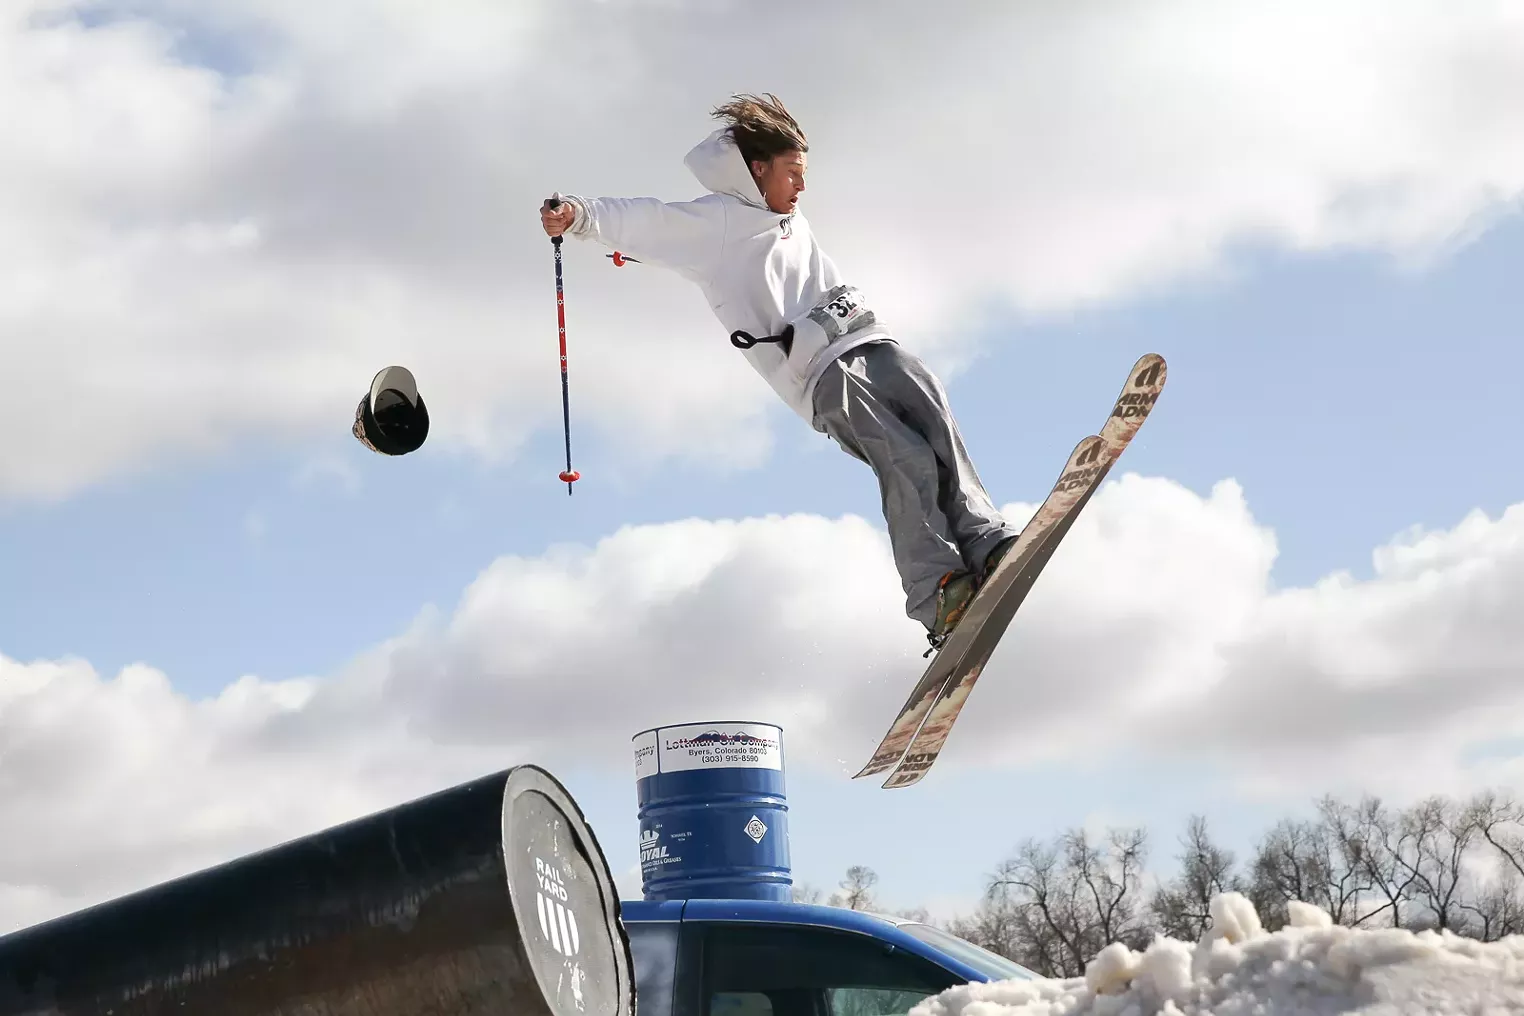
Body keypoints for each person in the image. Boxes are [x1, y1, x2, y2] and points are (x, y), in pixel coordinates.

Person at [540, 93, 1019, 649]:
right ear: (757, 169)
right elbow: (649, 220)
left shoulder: (788, 217)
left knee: (936, 424)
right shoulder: (717, 223)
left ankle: (985, 541)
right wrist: (579, 215)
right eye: (792, 172)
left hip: (867, 336)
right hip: (821, 374)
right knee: (903, 455)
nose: (802, 186)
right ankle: (937, 590)